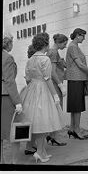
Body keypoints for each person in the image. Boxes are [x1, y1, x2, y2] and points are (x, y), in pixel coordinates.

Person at [21, 32, 64, 163]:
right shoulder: (45, 59)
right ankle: (39, 152)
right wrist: (55, 95)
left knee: (37, 122)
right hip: (43, 90)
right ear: (45, 44)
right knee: (43, 122)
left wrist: (33, 87)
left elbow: (27, 79)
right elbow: (48, 79)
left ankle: (42, 151)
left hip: (31, 90)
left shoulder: (30, 59)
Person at [66, 28, 88, 139]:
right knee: (77, 106)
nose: (84, 38)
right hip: (76, 79)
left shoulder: (74, 47)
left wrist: (87, 76)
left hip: (77, 79)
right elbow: (80, 65)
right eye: (83, 36)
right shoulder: (73, 47)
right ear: (77, 35)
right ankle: (77, 129)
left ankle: (72, 128)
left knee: (75, 106)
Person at [1, 33, 23, 164]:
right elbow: (10, 81)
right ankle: (14, 163)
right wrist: (18, 102)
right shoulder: (7, 58)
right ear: (8, 44)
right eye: (12, 43)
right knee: (15, 131)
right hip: (6, 97)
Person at [46, 33, 68, 146]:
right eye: (64, 44)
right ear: (59, 42)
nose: (65, 46)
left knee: (53, 110)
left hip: (52, 84)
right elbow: (52, 72)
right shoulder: (54, 52)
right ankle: (55, 137)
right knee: (57, 111)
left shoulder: (51, 51)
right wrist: (60, 85)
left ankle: (51, 135)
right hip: (55, 84)